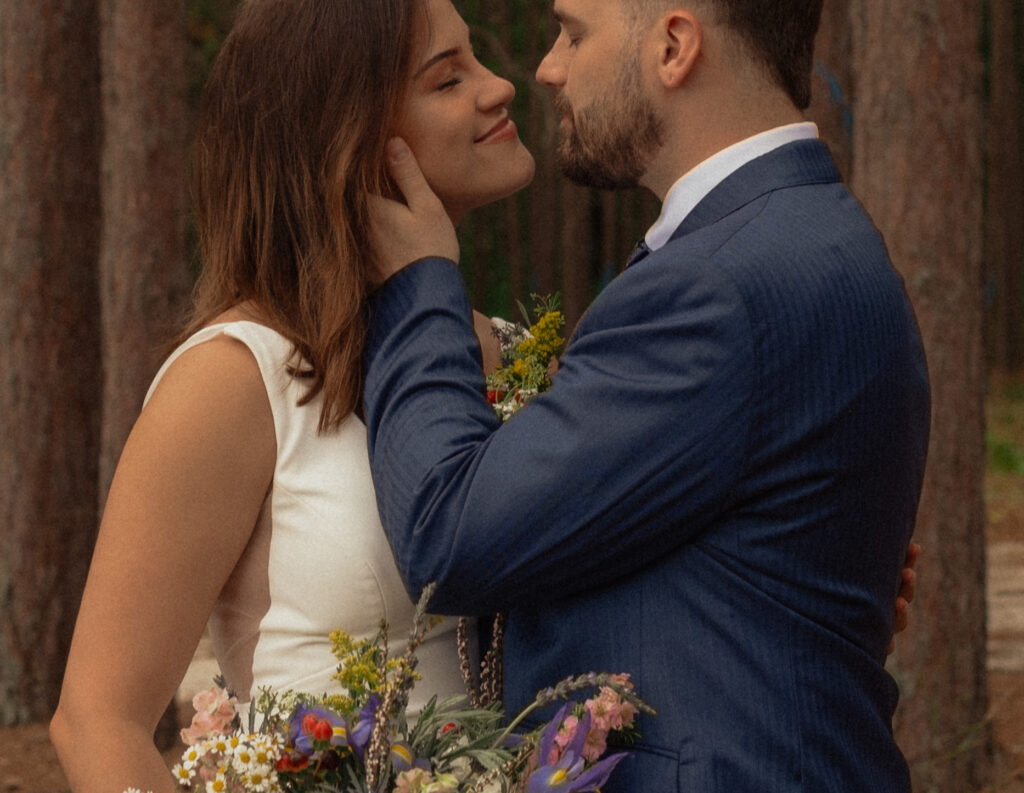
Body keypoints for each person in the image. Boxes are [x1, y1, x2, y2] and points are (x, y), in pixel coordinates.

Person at [363, 0, 930, 790]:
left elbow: (448, 535)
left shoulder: (716, 286)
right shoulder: (812, 235)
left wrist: (417, 281)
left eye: (574, 31)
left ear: (674, 45)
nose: (547, 67)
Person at [48, 1, 535, 791]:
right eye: (449, 79)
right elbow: (97, 720)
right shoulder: (236, 378)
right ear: (348, 135)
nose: (501, 86)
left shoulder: (512, 353)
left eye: (477, 61)